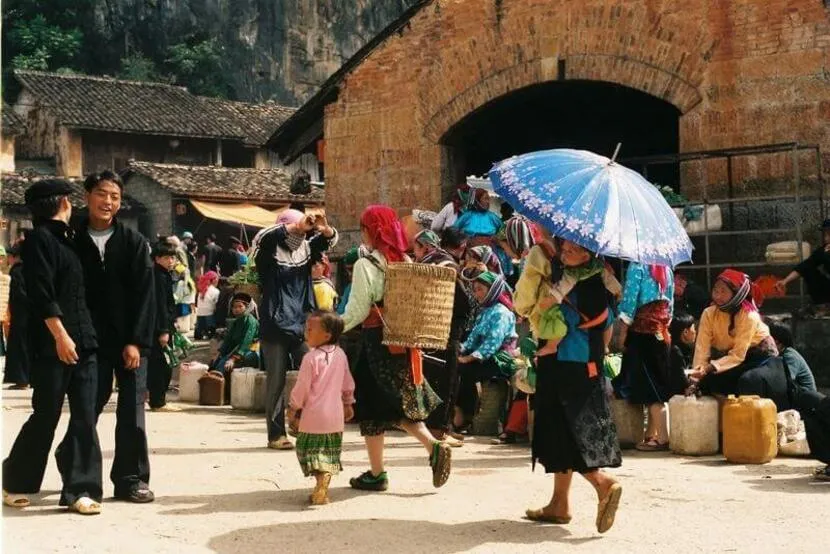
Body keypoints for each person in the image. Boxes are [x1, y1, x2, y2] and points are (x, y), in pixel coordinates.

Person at [2, 179, 103, 515]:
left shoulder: (72, 240)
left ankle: (80, 489)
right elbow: (42, 293)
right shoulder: (38, 242)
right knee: (46, 414)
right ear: (63, 202)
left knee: (86, 416)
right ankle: (15, 481)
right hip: (54, 342)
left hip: (85, 340)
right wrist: (60, 335)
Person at [341, 205, 451, 492]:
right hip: (402, 343)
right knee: (391, 405)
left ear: (372, 231)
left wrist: (332, 327)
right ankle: (386, 468)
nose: (362, 232)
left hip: (375, 343)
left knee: (375, 406)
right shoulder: (404, 260)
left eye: (364, 227)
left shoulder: (367, 265)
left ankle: (389, 467)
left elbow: (358, 309)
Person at [70, 170, 157, 503]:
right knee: (87, 407)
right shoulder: (73, 240)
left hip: (130, 341)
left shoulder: (134, 243)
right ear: (87, 196)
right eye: (102, 194)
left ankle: (131, 479)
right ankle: (77, 472)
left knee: (132, 412)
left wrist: (136, 341)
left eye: (115, 197)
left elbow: (145, 295)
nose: (108, 202)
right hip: (89, 341)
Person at [527, 240, 622, 534]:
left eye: (571, 250)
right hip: (588, 361)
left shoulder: (573, 282)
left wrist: (537, 300)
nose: (564, 253)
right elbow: (608, 321)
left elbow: (553, 315)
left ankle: (601, 482)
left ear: (586, 254)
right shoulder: (602, 279)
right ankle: (559, 503)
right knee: (567, 427)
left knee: (565, 428)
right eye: (564, 249)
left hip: (565, 362)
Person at [253, 209, 338, 450]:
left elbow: (330, 240)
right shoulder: (268, 251)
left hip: (303, 323)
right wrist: (296, 226)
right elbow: (261, 237)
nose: (302, 233)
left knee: (318, 373)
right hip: (275, 323)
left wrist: (322, 226)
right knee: (276, 381)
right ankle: (276, 435)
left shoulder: (307, 249)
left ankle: (300, 420)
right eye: (296, 229)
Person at [288, 311, 355, 505]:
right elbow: (347, 382)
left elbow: (302, 387)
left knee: (311, 452)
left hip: (313, 416)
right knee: (328, 452)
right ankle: (323, 485)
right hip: (334, 416)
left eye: (310, 329)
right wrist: (348, 402)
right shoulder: (341, 355)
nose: (306, 332)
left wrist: (294, 407)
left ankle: (320, 480)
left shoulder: (311, 358)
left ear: (327, 335)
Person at [413, 230, 471, 447]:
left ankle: (440, 428)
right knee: (444, 379)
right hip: (444, 329)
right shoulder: (441, 264)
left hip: (440, 327)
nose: (416, 253)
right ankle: (439, 429)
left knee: (443, 379)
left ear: (426, 247)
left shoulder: (440, 264)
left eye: (417, 248)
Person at [614, 263, 679, 451]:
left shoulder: (637, 268)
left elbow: (629, 303)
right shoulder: (666, 268)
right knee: (655, 385)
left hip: (642, 334)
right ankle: (651, 435)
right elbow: (671, 305)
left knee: (649, 386)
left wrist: (623, 332)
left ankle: (663, 438)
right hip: (661, 333)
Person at [690, 269, 778, 395]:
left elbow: (738, 355)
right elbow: (701, 349)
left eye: (723, 291)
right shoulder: (708, 313)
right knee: (705, 383)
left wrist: (709, 368)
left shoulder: (749, 316)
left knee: (736, 383)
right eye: (715, 290)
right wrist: (696, 375)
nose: (718, 296)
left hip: (756, 356)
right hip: (728, 358)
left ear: (736, 294)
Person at [455, 272, 518, 432]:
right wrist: (458, 351)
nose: (476, 294)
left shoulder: (501, 313)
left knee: (461, 371)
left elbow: (493, 342)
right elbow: (472, 340)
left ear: (493, 290)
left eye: (480, 289)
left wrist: (468, 358)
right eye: (475, 290)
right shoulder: (485, 311)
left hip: (498, 360)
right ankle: (461, 415)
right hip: (483, 359)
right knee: (452, 367)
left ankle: (464, 416)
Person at [148, 241, 179, 412]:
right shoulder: (158, 277)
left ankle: (159, 399)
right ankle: (158, 401)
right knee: (161, 365)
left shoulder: (164, 274)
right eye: (167, 257)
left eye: (173, 257)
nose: (171, 261)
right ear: (157, 258)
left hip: (165, 325)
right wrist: (163, 331)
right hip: (159, 328)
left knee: (163, 364)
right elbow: (159, 306)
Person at [776, 219, 830, 308]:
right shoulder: (824, 251)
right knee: (808, 269)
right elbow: (805, 266)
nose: (826, 238)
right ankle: (823, 305)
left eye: (829, 234)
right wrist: (785, 281)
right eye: (825, 234)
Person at [210, 292, 260, 376]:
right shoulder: (237, 322)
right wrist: (219, 353)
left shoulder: (251, 322)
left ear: (247, 307)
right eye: (234, 307)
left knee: (226, 363)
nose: (236, 309)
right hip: (241, 351)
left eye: (240, 306)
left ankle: (219, 382)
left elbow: (246, 342)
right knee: (217, 361)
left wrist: (233, 359)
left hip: (252, 351)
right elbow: (228, 340)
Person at [3, 244, 30, 389]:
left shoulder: (17, 271)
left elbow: (19, 293)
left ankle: (21, 378)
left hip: (21, 314)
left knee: (20, 345)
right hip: (31, 313)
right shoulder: (32, 268)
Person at [765, 319, 817, 393]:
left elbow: (784, 381)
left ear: (776, 341)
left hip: (805, 399)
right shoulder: (780, 354)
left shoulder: (790, 356)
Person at [668, 312, 696, 393]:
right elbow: (679, 378)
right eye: (694, 328)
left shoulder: (678, 348)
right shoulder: (675, 351)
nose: (695, 331)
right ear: (685, 332)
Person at [195, 271, 220, 340]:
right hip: (209, 317)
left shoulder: (201, 290)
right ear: (214, 280)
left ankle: (201, 332)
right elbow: (216, 304)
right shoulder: (216, 291)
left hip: (200, 316)